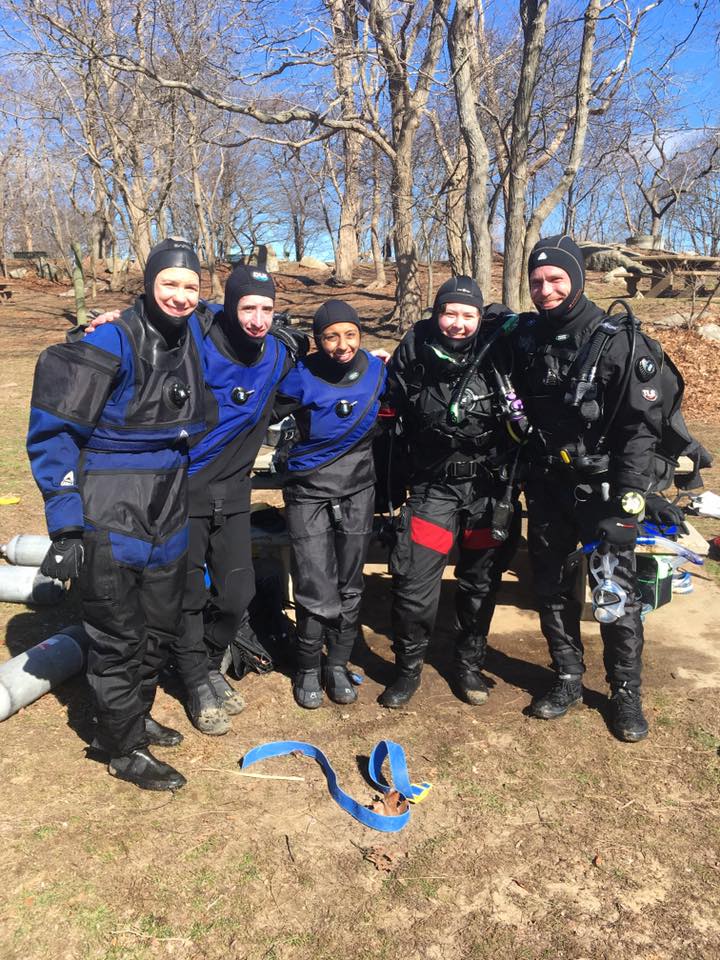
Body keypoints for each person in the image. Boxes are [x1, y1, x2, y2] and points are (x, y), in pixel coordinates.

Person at [86, 264, 302, 736]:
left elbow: (323, 355)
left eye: (267, 308)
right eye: (248, 307)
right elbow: (150, 331)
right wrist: (116, 320)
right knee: (186, 595)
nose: (258, 319)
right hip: (185, 489)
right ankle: (196, 681)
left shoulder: (280, 352)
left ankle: (206, 658)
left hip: (235, 493)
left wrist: (372, 363)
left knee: (236, 594)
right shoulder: (196, 341)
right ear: (229, 306)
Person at [27, 238, 207, 790]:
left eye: (191, 287)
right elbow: (54, 433)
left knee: (158, 625)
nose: (180, 296)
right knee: (117, 633)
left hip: (170, 500)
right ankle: (120, 747)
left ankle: (135, 716)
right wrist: (66, 523)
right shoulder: (110, 340)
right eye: (169, 283)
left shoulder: (195, 330)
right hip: (112, 501)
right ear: (149, 283)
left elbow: (245, 320)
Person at [514, 234, 664, 742]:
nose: (546, 289)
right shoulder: (528, 336)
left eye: (556, 278)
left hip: (604, 492)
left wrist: (628, 505)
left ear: (577, 278)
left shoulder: (617, 339)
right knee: (552, 589)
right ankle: (567, 679)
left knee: (614, 594)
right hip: (549, 488)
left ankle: (624, 692)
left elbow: (639, 432)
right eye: (537, 281)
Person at [379, 277, 526, 709]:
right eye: (450, 313)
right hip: (433, 490)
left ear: (479, 317)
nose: (457, 324)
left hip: (487, 491)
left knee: (480, 582)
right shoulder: (415, 348)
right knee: (414, 585)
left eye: (468, 315)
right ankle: (407, 668)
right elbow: (387, 405)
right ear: (435, 312)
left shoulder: (499, 351)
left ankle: (467, 663)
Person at [273, 300, 387, 708]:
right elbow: (258, 413)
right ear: (318, 340)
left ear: (361, 334)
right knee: (314, 580)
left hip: (359, 487)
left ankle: (336, 664)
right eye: (331, 336)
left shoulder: (377, 370)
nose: (342, 345)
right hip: (309, 490)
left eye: (350, 334)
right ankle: (307, 667)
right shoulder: (299, 376)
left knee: (350, 583)